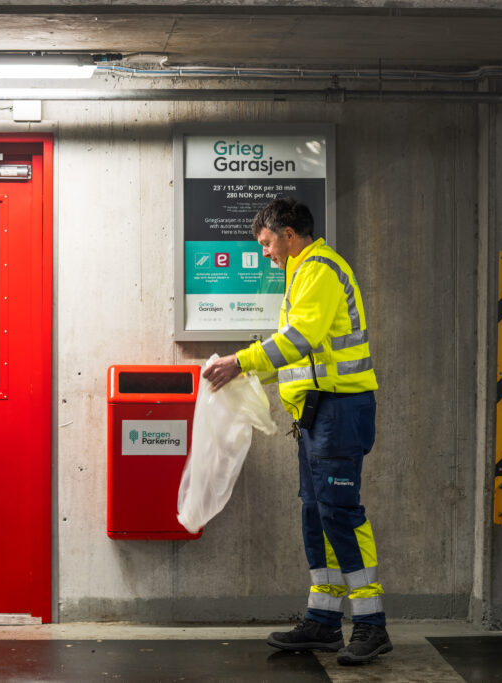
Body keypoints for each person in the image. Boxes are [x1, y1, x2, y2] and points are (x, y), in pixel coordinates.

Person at [202, 197, 392, 666]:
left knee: (340, 512)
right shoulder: (300, 274)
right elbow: (301, 356)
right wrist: (244, 375)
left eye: (267, 243)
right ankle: (324, 620)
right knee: (316, 513)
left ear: (289, 234)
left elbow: (300, 339)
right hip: (316, 414)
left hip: (340, 411)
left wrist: (242, 361)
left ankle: (371, 625)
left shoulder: (320, 270)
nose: (265, 253)